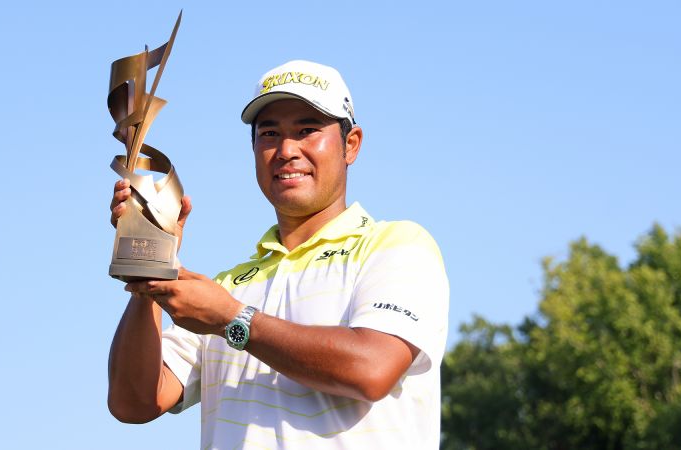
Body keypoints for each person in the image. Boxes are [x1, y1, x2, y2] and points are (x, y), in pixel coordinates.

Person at [107, 60, 449, 449]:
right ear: (253, 149)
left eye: (307, 130)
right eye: (270, 133)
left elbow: (371, 369)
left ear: (350, 144)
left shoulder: (396, 245)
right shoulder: (227, 286)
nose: (287, 150)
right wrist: (151, 263)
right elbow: (133, 402)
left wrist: (233, 320)